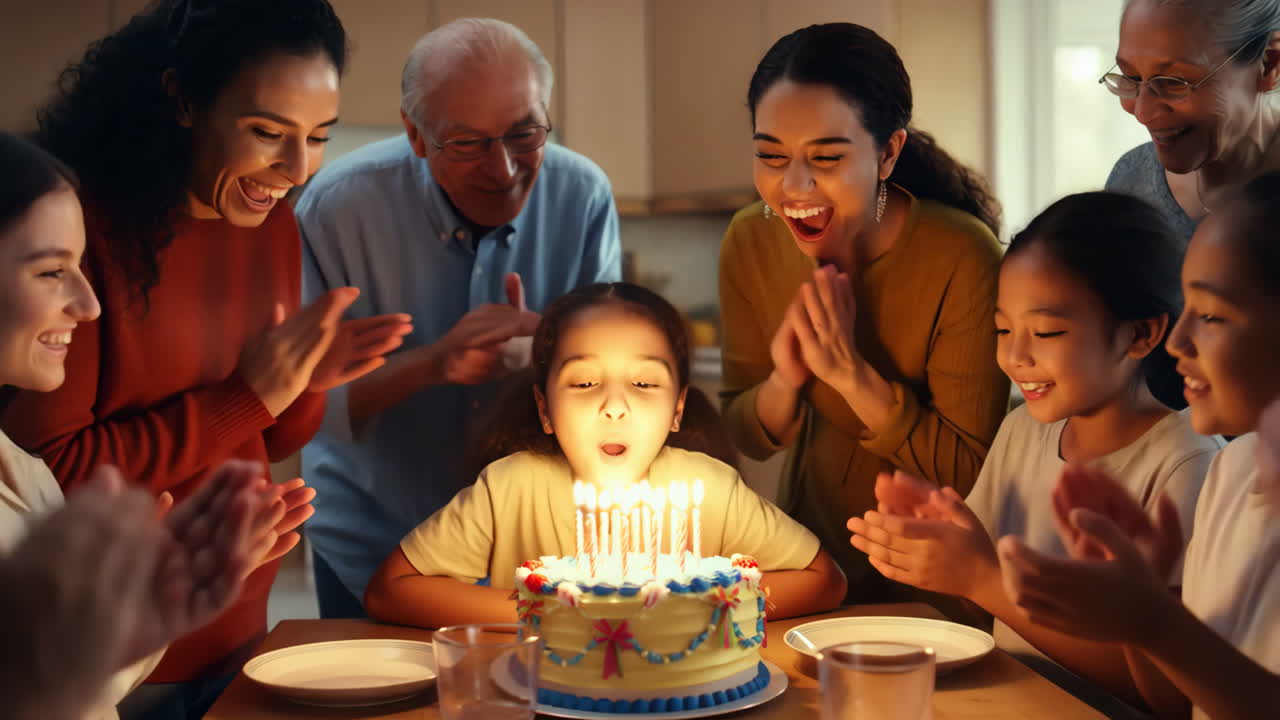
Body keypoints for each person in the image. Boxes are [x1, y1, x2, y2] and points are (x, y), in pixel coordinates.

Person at [0, 1, 409, 715]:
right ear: (182, 99)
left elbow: (272, 438)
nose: (296, 169)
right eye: (265, 132)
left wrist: (301, 383)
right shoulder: (78, 237)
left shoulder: (270, 221)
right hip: (120, 648)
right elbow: (51, 477)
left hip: (240, 621)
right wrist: (247, 398)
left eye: (317, 138)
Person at [847, 192, 1223, 717]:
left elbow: (1170, 692)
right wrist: (946, 554)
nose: (1015, 357)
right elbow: (993, 620)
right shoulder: (1021, 430)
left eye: (1046, 332)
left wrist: (983, 576)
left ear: (1141, 333)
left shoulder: (1187, 466)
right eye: (1003, 329)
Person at [295, 17, 621, 618]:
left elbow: (617, 382)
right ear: (416, 136)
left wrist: (547, 360)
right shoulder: (335, 209)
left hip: (539, 552)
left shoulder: (584, 197)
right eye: (468, 144)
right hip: (372, 543)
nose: (503, 171)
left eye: (525, 135)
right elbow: (305, 410)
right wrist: (432, 364)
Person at [719, 22, 1008, 601]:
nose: (792, 186)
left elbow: (969, 470)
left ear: (887, 153)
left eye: (825, 157)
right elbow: (741, 434)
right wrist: (786, 381)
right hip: (813, 572)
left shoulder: (963, 255)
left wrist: (850, 375)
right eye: (770, 155)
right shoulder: (751, 241)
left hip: (938, 587)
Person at [362, 283, 846, 627]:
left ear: (677, 407)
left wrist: (696, 606)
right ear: (544, 407)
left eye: (643, 383)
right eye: (585, 383)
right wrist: (554, 609)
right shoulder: (511, 486)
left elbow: (824, 580)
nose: (615, 406)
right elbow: (389, 591)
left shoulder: (712, 489)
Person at [0, 130, 266, 720]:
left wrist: (142, 612)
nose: (88, 305)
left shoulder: (24, 469)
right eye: (51, 272)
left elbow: (69, 693)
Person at [998, 172, 1280, 719]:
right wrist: (1141, 615)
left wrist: (1153, 621)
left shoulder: (1199, 463)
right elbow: (1177, 698)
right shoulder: (1236, 472)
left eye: (1213, 316)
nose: (1178, 342)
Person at [1104, 0, 1280, 242]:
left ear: (1270, 64)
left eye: (1175, 81)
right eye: (1131, 77)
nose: (1142, 113)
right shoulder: (1132, 180)